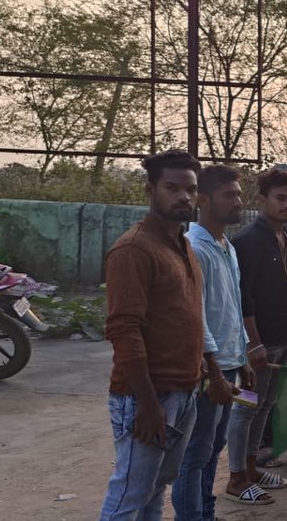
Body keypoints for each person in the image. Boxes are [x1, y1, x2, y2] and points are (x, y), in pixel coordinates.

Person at [99, 150, 207, 520]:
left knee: (155, 487)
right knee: (130, 494)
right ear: (151, 190)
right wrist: (146, 404)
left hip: (183, 390)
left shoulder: (183, 243)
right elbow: (124, 331)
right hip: (147, 395)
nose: (184, 197)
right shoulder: (134, 249)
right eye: (172, 188)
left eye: (190, 189)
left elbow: (187, 316)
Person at [172, 165, 253, 520]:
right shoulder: (194, 247)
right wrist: (215, 372)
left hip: (231, 362)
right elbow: (196, 316)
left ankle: (205, 511)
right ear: (202, 201)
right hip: (210, 368)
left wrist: (245, 353)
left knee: (213, 446)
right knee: (195, 453)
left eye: (238, 194)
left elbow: (233, 304)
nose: (238, 202)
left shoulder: (226, 247)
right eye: (229, 195)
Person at [226, 169, 287, 503]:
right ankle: (235, 478)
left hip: (284, 339)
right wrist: (253, 343)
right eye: (281, 199)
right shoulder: (249, 240)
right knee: (245, 408)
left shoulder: (286, 235)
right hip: (256, 347)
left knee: (267, 404)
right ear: (262, 200)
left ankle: (252, 468)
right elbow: (244, 298)